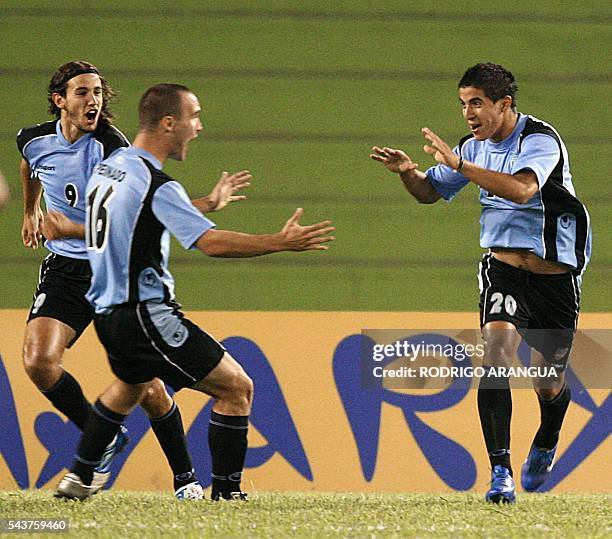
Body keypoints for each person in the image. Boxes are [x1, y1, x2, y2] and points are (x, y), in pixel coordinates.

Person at [54, 83, 334, 501]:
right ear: (170, 123)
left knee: (129, 387)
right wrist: (279, 241)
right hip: (146, 314)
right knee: (237, 388)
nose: (198, 127)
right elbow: (210, 243)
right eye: (194, 116)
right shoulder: (157, 184)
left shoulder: (112, 168)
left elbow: (127, 223)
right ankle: (226, 494)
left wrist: (202, 204)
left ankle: (77, 477)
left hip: (108, 314)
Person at [18, 61, 251, 499]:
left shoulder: (112, 146)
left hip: (109, 266)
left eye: (98, 93)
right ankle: (99, 439)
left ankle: (184, 478)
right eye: (83, 93)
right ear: (59, 101)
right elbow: (30, 168)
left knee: (147, 385)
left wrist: (206, 204)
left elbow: (140, 207)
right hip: (66, 270)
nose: (94, 101)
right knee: (38, 361)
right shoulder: (32, 141)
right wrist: (30, 209)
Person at [371, 63, 591, 504]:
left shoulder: (540, 140)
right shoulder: (473, 148)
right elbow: (430, 193)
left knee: (548, 380)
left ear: (504, 104)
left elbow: (522, 191)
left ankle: (547, 436)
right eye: (463, 104)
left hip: (554, 276)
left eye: (476, 103)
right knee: (495, 354)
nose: (468, 114)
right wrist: (408, 172)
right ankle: (500, 471)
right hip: (504, 268)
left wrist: (460, 164)